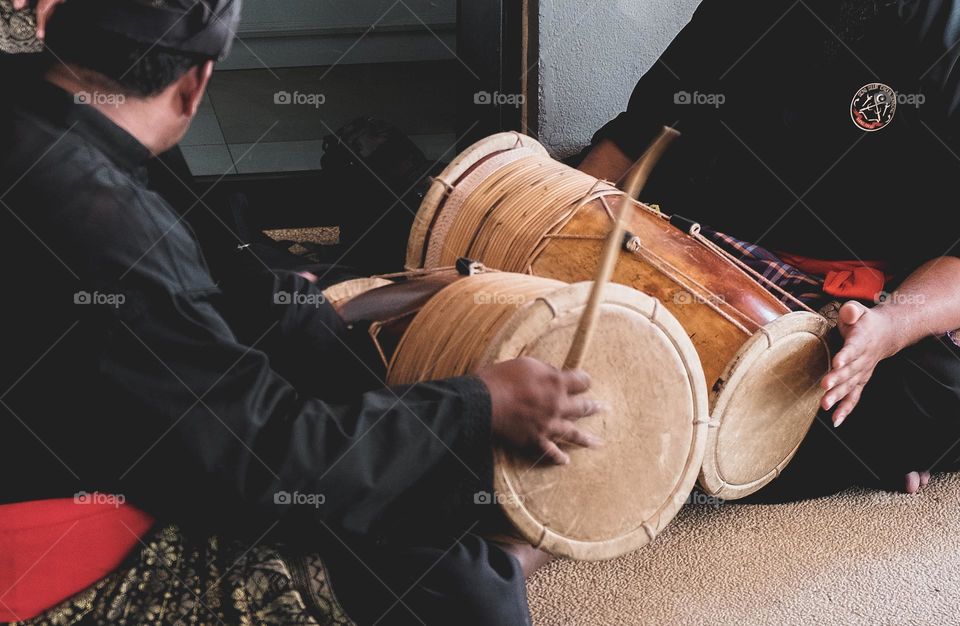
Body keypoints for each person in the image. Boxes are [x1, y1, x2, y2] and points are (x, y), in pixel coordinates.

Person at [0, 1, 602, 624]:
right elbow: (267, 462)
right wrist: (479, 405)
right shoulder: (114, 226)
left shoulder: (38, 125)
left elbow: (152, 319)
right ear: (194, 83)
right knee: (447, 582)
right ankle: (517, 549)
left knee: (303, 339)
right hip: (35, 560)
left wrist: (292, 310)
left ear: (50, 21)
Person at [577, 0, 960, 499]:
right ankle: (862, 448)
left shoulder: (944, 34)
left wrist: (884, 334)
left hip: (862, 298)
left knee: (942, 386)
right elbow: (637, 136)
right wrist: (562, 217)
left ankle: (672, 434)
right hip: (700, 252)